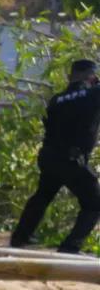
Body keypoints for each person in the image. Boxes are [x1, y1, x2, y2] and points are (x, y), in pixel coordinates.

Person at [10, 59, 100, 254]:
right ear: (92, 77)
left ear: (70, 76)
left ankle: (20, 237)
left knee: (43, 195)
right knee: (94, 204)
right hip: (71, 159)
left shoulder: (56, 99)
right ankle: (70, 247)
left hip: (49, 156)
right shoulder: (93, 93)